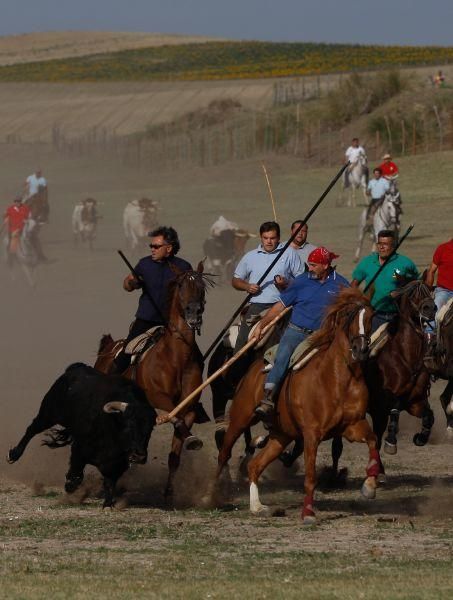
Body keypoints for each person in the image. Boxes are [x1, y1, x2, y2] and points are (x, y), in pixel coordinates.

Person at [253, 247, 349, 422]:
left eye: (313, 265)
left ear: (325, 265)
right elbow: (279, 307)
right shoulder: (301, 281)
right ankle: (268, 397)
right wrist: (262, 324)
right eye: (308, 265)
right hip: (296, 331)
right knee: (282, 355)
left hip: (324, 334)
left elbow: (350, 309)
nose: (309, 268)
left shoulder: (341, 284)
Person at [112, 226, 192, 373]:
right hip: (146, 320)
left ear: (169, 248)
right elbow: (127, 285)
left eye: (156, 246)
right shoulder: (144, 264)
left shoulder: (184, 267)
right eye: (151, 246)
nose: (152, 249)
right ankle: (111, 383)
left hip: (173, 323)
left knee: (192, 356)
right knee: (123, 357)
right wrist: (132, 282)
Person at [232, 221, 303, 352]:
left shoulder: (289, 253)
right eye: (265, 238)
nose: (269, 241)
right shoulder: (250, 256)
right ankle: (235, 369)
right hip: (257, 306)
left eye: (272, 238)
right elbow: (235, 280)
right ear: (261, 237)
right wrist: (247, 286)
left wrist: (286, 283)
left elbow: (303, 281)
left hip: (285, 305)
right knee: (241, 343)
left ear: (279, 238)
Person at [352, 229, 419, 332]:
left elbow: (416, 285)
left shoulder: (405, 264)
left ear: (394, 246)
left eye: (385, 244)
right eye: (379, 243)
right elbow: (353, 285)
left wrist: (401, 292)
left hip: (399, 317)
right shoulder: (367, 262)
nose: (381, 247)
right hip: (374, 316)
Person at [424, 237, 453, 370]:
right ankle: (428, 349)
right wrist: (429, 291)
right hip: (444, 291)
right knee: (433, 315)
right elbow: (431, 270)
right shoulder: (442, 248)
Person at [2, 195, 30, 261]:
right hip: (12, 229)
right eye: (16, 201)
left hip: (22, 228)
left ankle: (27, 253)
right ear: (14, 202)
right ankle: (10, 256)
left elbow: (28, 216)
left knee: (25, 239)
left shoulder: (25, 208)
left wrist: (26, 220)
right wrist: (5, 216)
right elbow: (4, 216)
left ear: (21, 202)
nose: (17, 203)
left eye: (19, 201)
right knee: (9, 242)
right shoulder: (10, 209)